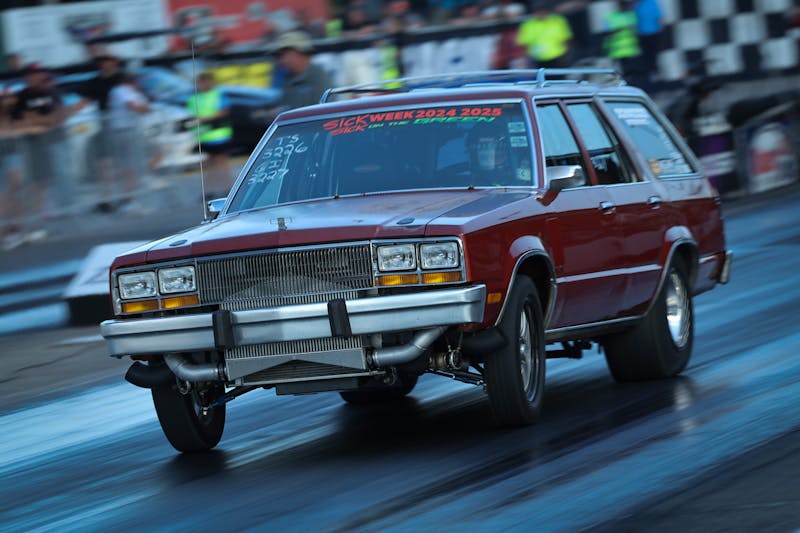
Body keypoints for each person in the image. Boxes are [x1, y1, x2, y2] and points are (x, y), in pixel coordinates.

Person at [11, 63, 65, 225]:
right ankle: (38, 211)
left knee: (53, 174)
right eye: (31, 74)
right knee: (34, 178)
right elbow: (18, 120)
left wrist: (35, 119)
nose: (35, 77)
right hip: (31, 143)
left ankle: (53, 207)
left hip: (53, 140)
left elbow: (57, 117)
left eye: (38, 73)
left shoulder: (51, 92)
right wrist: (42, 120)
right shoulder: (21, 96)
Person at [107, 72, 152, 210]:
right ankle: (129, 198)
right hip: (124, 131)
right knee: (129, 166)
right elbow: (132, 106)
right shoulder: (121, 90)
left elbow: (143, 105)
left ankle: (134, 192)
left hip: (131, 131)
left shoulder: (131, 92)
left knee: (134, 164)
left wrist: (145, 107)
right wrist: (145, 108)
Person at [187, 72, 234, 199]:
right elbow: (190, 115)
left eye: (206, 81)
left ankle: (228, 190)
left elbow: (224, 111)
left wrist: (204, 119)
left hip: (219, 135)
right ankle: (210, 191)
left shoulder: (218, 95)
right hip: (204, 136)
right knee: (210, 165)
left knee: (221, 162)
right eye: (201, 82)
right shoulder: (193, 99)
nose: (204, 84)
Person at [273, 31, 332, 111]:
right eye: (281, 56)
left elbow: (324, 109)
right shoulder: (286, 78)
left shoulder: (318, 75)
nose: (285, 60)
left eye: (289, 55)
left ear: (304, 54)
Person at [515, 1, 573, 69]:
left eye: (542, 10)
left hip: (558, 56)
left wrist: (566, 55)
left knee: (559, 75)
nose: (540, 13)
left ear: (547, 11)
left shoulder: (558, 21)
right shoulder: (527, 25)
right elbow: (523, 44)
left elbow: (567, 39)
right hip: (537, 59)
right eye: (537, 11)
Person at [603, 0, 642, 81]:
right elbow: (607, 33)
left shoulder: (631, 15)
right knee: (619, 72)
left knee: (632, 72)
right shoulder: (611, 17)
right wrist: (623, 28)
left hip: (630, 50)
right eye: (623, 4)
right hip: (617, 51)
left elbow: (636, 31)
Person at [635, 0, 664, 82]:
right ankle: (649, 73)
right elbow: (636, 19)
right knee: (646, 55)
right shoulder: (637, 4)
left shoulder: (652, 2)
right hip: (642, 34)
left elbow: (659, 18)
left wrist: (660, 30)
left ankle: (654, 72)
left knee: (652, 54)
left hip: (652, 33)